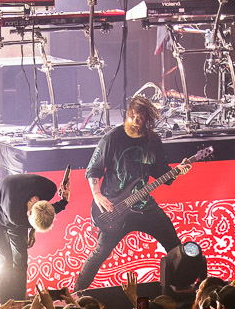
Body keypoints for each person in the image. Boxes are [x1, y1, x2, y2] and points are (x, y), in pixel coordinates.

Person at [74, 95, 191, 292]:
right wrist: (97, 195)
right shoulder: (112, 139)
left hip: (144, 206)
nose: (137, 123)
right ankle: (75, 293)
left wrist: (178, 171)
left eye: (142, 119)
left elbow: (160, 171)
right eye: (135, 117)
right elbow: (93, 170)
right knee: (100, 253)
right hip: (115, 207)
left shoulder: (152, 141)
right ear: (128, 114)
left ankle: (182, 288)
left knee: (174, 245)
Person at [0, 173, 70, 301]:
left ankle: (20, 304)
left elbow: (47, 209)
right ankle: (5, 306)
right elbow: (23, 221)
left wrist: (64, 201)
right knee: (5, 259)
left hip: (12, 195)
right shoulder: (15, 215)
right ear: (29, 214)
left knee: (21, 260)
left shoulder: (49, 188)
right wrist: (32, 229)